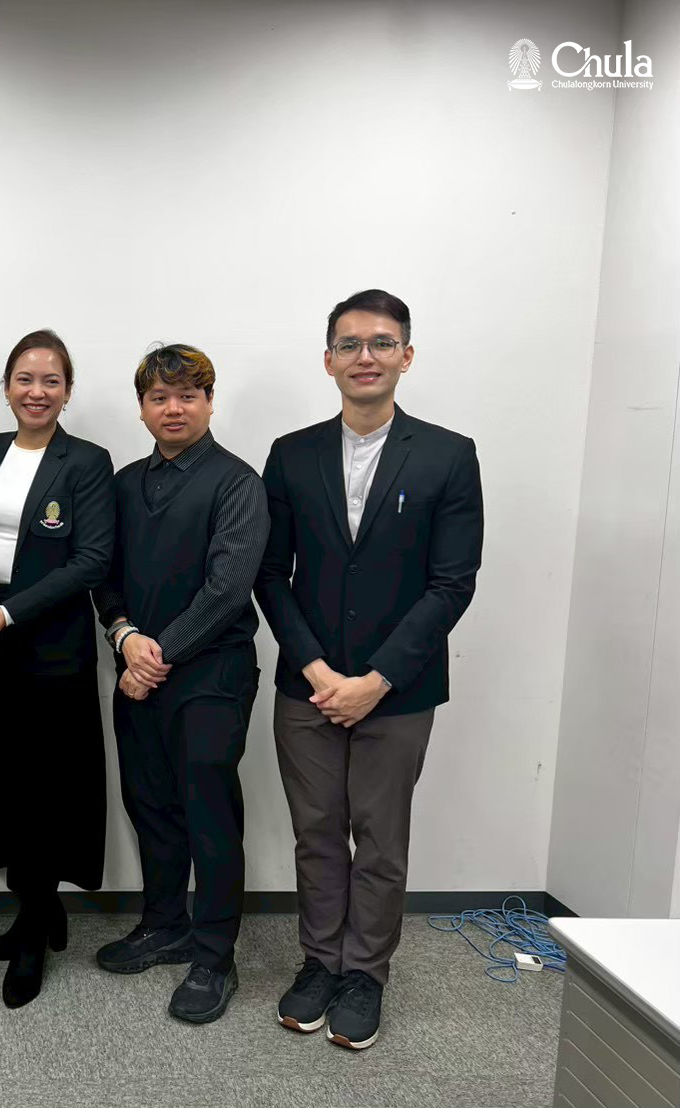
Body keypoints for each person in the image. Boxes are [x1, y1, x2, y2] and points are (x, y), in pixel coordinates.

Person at [255, 289, 483, 1050]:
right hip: (307, 685)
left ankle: (365, 975)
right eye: (349, 344)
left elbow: (451, 583)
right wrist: (318, 671)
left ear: (406, 357)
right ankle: (320, 962)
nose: (365, 357)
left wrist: (376, 680)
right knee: (316, 832)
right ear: (327, 360)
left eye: (381, 343)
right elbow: (270, 574)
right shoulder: (290, 454)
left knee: (379, 839)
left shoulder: (449, 454)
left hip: (399, 689)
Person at [93, 344, 268, 1025]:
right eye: (159, 397)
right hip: (138, 667)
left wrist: (153, 657)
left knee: (207, 812)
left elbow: (227, 590)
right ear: (141, 408)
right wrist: (123, 637)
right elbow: (103, 575)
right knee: (150, 805)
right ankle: (164, 925)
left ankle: (214, 956)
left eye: (188, 395)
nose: (174, 408)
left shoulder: (236, 482)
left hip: (211, 675)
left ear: (209, 402)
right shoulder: (123, 484)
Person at [0, 330, 114, 1009]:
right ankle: (39, 913)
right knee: (2, 785)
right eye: (24, 378)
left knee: (45, 791)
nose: (36, 391)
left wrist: (9, 611)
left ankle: (31, 933)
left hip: (50, 652)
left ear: (67, 391)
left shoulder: (87, 461)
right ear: (7, 387)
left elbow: (92, 560)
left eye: (51, 380)